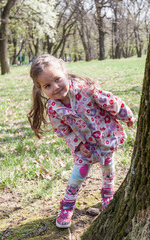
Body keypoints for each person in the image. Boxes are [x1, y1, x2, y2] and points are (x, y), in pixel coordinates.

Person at [28, 54, 134, 228]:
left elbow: (110, 102)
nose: (55, 87)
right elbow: (63, 131)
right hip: (84, 146)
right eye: (47, 85)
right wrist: (77, 144)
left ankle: (108, 195)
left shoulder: (86, 90)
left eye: (57, 79)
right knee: (80, 172)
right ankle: (67, 205)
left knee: (108, 166)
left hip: (105, 137)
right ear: (40, 89)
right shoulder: (54, 108)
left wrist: (126, 115)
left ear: (65, 73)